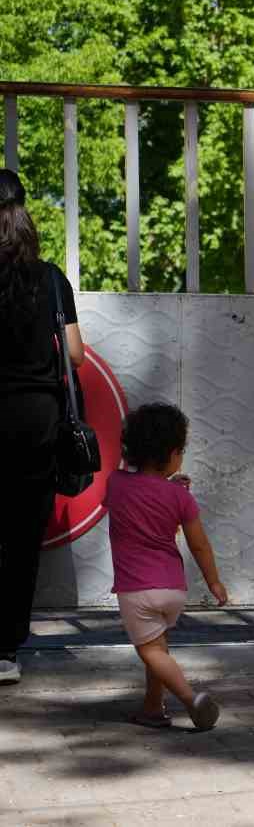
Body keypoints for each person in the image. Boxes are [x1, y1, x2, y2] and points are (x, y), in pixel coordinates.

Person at [0, 169, 85, 686]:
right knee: (21, 536)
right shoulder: (51, 278)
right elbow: (73, 353)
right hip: (35, 421)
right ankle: (5, 651)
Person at [107, 402, 229, 730]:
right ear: (174, 453)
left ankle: (191, 699)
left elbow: (133, 489)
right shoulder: (180, 497)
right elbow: (199, 544)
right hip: (173, 589)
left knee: (150, 652)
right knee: (158, 646)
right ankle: (152, 709)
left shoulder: (115, 484)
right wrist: (214, 582)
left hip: (136, 589)